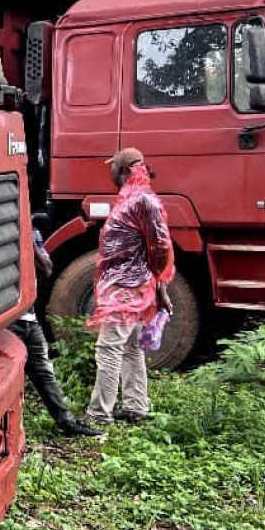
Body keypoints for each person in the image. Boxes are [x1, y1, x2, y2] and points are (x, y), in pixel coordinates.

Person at [84, 148, 175, 426]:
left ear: (123, 169)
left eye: (113, 167)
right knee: (131, 347)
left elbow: (160, 246)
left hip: (128, 288)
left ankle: (99, 415)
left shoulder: (142, 201)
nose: (109, 171)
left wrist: (160, 284)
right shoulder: (133, 199)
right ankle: (136, 406)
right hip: (130, 286)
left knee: (109, 348)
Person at [10, 225, 103, 438]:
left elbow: (47, 269)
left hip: (28, 317)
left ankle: (67, 423)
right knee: (9, 378)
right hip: (7, 319)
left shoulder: (32, 233)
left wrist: (28, 243)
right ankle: (11, 431)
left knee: (44, 372)